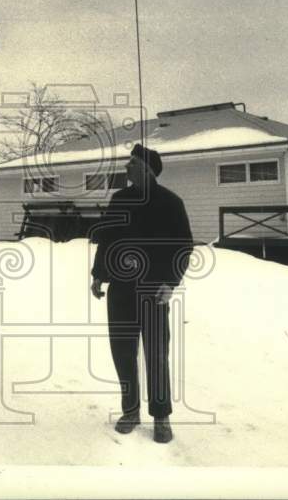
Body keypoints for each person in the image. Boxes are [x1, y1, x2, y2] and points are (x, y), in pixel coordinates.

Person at [90, 143, 193, 443]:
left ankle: (161, 416)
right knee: (122, 351)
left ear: (147, 169)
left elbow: (183, 246)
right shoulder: (119, 199)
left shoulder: (171, 203)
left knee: (156, 353)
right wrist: (99, 274)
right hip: (121, 289)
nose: (126, 168)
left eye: (132, 163)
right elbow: (107, 238)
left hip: (152, 289)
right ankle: (130, 410)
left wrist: (170, 283)